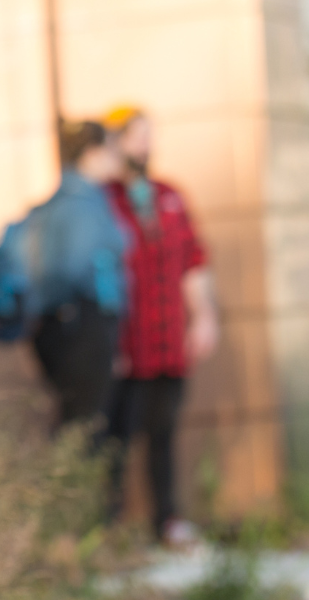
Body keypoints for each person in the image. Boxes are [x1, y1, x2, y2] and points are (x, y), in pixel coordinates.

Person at [102, 106, 217, 545]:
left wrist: (204, 316)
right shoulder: (105, 201)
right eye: (136, 136)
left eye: (149, 135)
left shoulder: (170, 195)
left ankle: (166, 520)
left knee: (163, 435)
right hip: (128, 348)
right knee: (117, 439)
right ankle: (108, 528)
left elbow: (193, 260)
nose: (145, 145)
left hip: (169, 342)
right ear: (116, 142)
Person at [25, 121, 132, 436]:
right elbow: (70, 269)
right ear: (91, 153)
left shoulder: (70, 200)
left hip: (70, 323)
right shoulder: (80, 205)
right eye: (112, 150)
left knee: (77, 419)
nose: (117, 159)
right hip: (83, 323)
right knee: (84, 426)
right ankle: (72, 485)